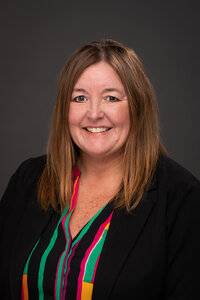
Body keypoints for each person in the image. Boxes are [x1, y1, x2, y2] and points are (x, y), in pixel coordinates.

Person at [0, 38, 200, 300]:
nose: (94, 113)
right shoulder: (29, 179)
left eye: (111, 98)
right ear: (64, 109)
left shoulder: (181, 198)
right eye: (80, 97)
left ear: (138, 107)